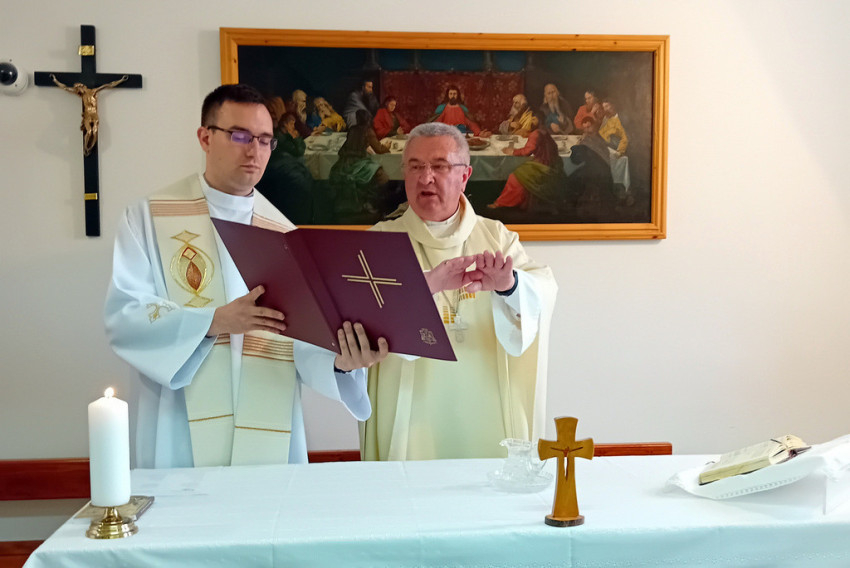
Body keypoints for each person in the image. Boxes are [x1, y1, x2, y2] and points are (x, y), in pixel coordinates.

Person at [104, 84, 388, 469]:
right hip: (179, 425)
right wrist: (214, 321)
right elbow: (126, 315)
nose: (254, 151)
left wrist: (341, 361)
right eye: (240, 136)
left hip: (267, 427)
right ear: (205, 137)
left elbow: (301, 342)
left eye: (266, 140)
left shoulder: (286, 235)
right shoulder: (148, 217)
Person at [360, 122, 557, 461]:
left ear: (465, 176)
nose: (426, 178)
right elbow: (357, 318)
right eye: (415, 167)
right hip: (410, 409)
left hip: (486, 399)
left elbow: (543, 288)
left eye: (439, 166)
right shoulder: (380, 240)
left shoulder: (496, 237)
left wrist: (509, 287)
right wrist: (423, 288)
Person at [489, 118, 566, 210]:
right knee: (521, 171)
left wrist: (512, 151)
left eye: (533, 119)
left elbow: (527, 151)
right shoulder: (543, 131)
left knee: (516, 176)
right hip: (552, 163)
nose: (529, 120)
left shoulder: (536, 134)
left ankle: (502, 203)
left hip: (544, 165)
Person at [328, 108, 390, 215]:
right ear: (368, 119)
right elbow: (379, 149)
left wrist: (363, 147)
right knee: (383, 177)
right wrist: (387, 147)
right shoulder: (368, 131)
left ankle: (366, 201)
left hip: (344, 163)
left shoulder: (353, 129)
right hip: (358, 164)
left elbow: (343, 150)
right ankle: (370, 202)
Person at [256, 111, 314, 224]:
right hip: (280, 171)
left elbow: (301, 148)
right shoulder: (279, 137)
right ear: (285, 124)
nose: (293, 126)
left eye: (293, 123)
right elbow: (298, 151)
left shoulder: (286, 134)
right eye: (291, 123)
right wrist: (295, 137)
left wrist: (295, 136)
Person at [50, 73, 129, 156]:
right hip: (87, 115)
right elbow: (65, 88)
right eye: (77, 89)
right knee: (88, 131)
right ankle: (86, 148)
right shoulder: (82, 95)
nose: (78, 91)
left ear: (82, 87)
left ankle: (90, 147)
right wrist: (55, 80)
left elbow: (107, 85)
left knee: (94, 131)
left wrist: (121, 80)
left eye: (78, 89)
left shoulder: (93, 91)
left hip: (94, 115)